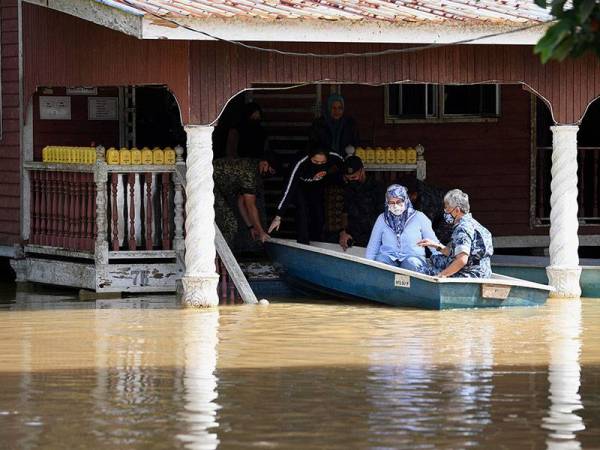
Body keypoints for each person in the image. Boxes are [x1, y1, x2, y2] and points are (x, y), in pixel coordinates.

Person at [268, 148, 343, 244]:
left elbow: (343, 166)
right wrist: (278, 216)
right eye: (315, 161)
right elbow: (289, 189)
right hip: (299, 185)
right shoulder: (300, 162)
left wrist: (328, 172)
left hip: (316, 184)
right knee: (302, 209)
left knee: (318, 213)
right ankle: (303, 242)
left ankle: (317, 242)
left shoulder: (334, 156)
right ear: (310, 157)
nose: (319, 164)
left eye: (322, 162)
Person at [418, 189, 494, 278]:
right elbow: (457, 252)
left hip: (470, 274)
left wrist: (441, 276)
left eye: (447, 208)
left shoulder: (462, 228)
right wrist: (435, 245)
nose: (445, 211)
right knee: (435, 259)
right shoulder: (474, 224)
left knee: (422, 269)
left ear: (457, 210)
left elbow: (461, 260)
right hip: (483, 272)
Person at [365, 184, 440, 272]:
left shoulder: (419, 217)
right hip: (389, 258)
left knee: (411, 263)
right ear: (387, 202)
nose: (395, 205)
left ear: (405, 200)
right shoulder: (382, 219)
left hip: (413, 258)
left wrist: (440, 262)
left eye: (399, 201)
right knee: (380, 262)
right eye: (391, 202)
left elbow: (433, 242)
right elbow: (373, 245)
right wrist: (367, 267)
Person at [213, 158, 270, 247]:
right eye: (271, 170)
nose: (269, 174)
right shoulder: (250, 173)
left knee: (225, 222)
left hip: (215, 187)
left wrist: (251, 227)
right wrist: (261, 232)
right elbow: (250, 206)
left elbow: (241, 203)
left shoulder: (252, 171)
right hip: (208, 182)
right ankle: (218, 256)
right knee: (230, 224)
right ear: (265, 164)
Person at [338, 155, 385, 250]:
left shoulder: (377, 188)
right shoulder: (348, 188)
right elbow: (345, 212)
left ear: (362, 171)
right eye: (348, 178)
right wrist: (343, 232)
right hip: (353, 240)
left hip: (374, 238)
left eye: (354, 177)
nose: (351, 180)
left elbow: (384, 217)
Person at [396, 173, 453, 245]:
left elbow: (422, 228)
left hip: (447, 224)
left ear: (414, 195)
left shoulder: (426, 201)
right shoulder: (408, 190)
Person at [224, 101, 276, 175]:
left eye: (258, 116)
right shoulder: (236, 131)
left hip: (258, 169)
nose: (256, 118)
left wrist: (266, 163)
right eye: (253, 115)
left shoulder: (262, 132)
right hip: (239, 169)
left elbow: (266, 151)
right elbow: (230, 153)